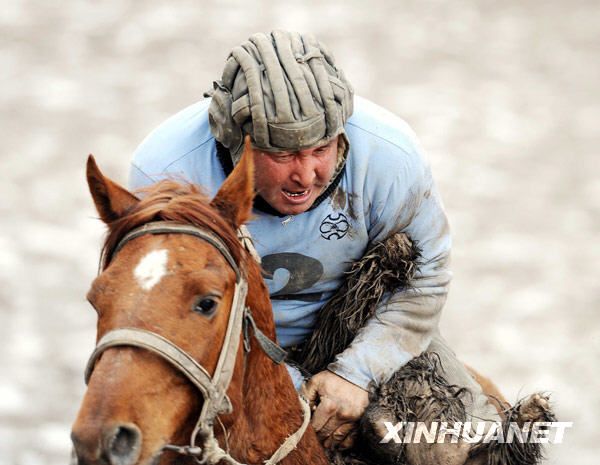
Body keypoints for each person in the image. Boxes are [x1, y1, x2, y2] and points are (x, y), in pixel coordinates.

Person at [128, 30, 500, 453]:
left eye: (321, 148)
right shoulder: (168, 172)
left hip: (361, 330)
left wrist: (357, 374)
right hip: (221, 350)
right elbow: (160, 306)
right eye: (282, 155)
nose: (305, 176)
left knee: (471, 446)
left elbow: (427, 277)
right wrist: (285, 387)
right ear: (234, 142)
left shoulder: (390, 158)